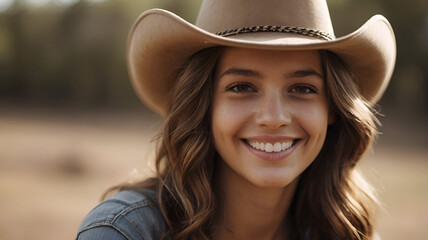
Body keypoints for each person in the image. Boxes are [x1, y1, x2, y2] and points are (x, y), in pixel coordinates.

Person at [76, 0, 396, 239]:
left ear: (333, 109)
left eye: (302, 88)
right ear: (203, 105)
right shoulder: (125, 233)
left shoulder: (349, 233)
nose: (274, 118)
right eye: (242, 87)